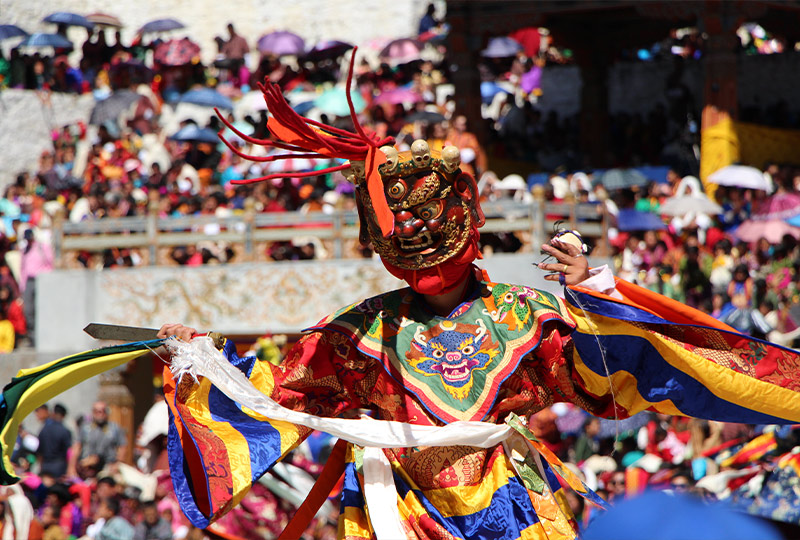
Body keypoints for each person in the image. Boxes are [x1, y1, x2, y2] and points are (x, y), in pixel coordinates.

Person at [154, 71, 800, 540]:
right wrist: (198, 357)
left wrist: (594, 293)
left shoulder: (526, 315)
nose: (424, 258)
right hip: (397, 510)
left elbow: (616, 370)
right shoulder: (357, 331)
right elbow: (275, 395)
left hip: (510, 506)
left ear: (468, 227)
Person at [68, 402, 126, 479]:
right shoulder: (85, 428)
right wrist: (71, 467)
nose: (100, 414)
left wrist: (118, 464)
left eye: (103, 411)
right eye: (97, 411)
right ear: (93, 412)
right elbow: (76, 447)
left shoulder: (114, 428)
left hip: (108, 467)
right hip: (87, 466)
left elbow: (122, 447)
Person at [37, 404, 71, 479]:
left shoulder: (44, 430)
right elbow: (68, 451)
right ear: (63, 416)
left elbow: (39, 451)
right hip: (59, 466)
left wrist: (41, 466)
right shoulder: (65, 431)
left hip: (46, 465)